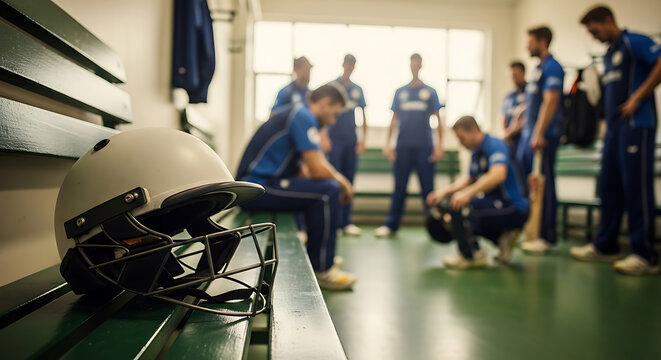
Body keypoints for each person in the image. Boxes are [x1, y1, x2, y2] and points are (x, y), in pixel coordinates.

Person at [237, 84, 357, 290]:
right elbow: (318, 169)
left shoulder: (297, 113)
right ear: (325, 104)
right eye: (334, 114)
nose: (333, 121)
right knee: (328, 191)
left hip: (260, 185)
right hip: (256, 187)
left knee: (322, 189)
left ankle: (319, 255)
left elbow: (306, 171)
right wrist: (345, 183)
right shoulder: (303, 115)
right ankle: (322, 268)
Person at [570, 5, 661, 275]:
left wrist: (637, 98)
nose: (594, 36)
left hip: (637, 126)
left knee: (636, 188)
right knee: (608, 188)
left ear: (608, 21)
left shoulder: (634, 42)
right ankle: (606, 246)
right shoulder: (609, 54)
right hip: (613, 131)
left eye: (595, 30)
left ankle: (644, 254)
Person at [426, 116, 529, 269]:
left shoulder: (494, 144)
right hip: (495, 205)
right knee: (448, 205)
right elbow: (468, 179)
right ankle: (501, 238)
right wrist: (444, 192)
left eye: (462, 138)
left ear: (474, 130)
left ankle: (471, 255)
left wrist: (468, 194)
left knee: (463, 207)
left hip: (513, 206)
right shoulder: (476, 152)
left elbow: (498, 174)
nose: (461, 143)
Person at [375, 53, 444, 237]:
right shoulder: (400, 92)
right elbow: (394, 119)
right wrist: (388, 144)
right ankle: (391, 225)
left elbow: (438, 120)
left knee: (428, 189)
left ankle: (434, 228)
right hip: (403, 146)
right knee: (399, 187)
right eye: (412, 63)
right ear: (410, 65)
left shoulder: (430, 91)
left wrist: (439, 146)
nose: (415, 66)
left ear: (421, 65)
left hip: (424, 147)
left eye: (417, 63)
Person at [516, 26, 564, 254]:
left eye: (530, 41)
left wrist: (539, 133)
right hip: (528, 136)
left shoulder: (553, 67)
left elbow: (551, 101)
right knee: (529, 186)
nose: (527, 45)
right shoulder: (537, 69)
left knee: (543, 185)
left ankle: (547, 236)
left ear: (542, 41)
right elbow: (535, 101)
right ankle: (532, 230)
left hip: (541, 137)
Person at [328, 54, 368, 236]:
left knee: (349, 180)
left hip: (351, 141)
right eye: (347, 64)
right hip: (334, 140)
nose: (349, 67)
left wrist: (363, 139)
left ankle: (346, 222)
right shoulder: (332, 87)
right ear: (343, 64)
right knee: (335, 180)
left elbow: (363, 116)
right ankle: (334, 223)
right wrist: (324, 136)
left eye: (353, 64)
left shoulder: (357, 90)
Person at [501, 61, 528, 160]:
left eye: (515, 75)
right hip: (509, 141)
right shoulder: (509, 96)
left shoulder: (530, 92)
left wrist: (509, 133)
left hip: (523, 139)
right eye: (511, 76)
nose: (513, 78)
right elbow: (503, 116)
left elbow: (527, 118)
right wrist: (504, 134)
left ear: (523, 73)